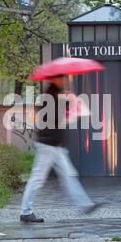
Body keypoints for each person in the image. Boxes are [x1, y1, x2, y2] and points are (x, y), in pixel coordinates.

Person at [20, 75, 100, 222]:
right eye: (61, 78)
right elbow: (54, 117)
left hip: (55, 145)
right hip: (48, 145)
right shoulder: (50, 95)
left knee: (69, 175)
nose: (64, 80)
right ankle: (25, 212)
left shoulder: (56, 94)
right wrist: (67, 101)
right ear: (54, 79)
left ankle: (85, 205)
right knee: (37, 179)